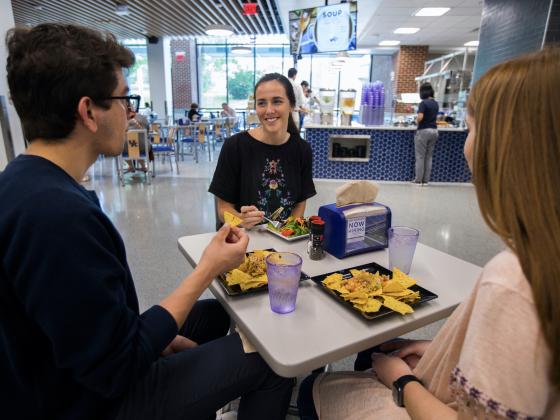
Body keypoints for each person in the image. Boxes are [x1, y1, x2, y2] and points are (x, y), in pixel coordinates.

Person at [0, 23, 293, 420]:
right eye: (124, 100)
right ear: (88, 111)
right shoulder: (57, 216)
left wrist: (153, 338)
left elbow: (87, 324)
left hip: (77, 369)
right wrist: (208, 268)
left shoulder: (25, 183)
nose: (130, 113)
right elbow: (116, 368)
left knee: (218, 313)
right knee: (271, 358)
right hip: (93, 403)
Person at [298, 48, 560, 420]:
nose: (468, 144)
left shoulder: (515, 281)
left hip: (420, 400)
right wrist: (441, 348)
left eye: (473, 130)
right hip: (439, 379)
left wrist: (401, 383)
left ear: (508, 148)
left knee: (314, 388)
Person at [209, 72, 316, 228]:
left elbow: (299, 204)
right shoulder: (235, 146)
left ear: (292, 105)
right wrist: (240, 220)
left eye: (277, 101)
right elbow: (222, 209)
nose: (269, 110)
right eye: (262, 103)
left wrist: (287, 231)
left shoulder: (302, 149)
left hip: (283, 245)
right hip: (242, 241)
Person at [412, 82, 439, 185]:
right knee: (429, 157)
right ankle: (426, 180)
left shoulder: (423, 103)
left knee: (420, 156)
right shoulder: (435, 103)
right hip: (434, 131)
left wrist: (416, 121)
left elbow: (420, 117)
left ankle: (418, 180)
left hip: (424, 131)